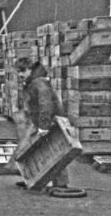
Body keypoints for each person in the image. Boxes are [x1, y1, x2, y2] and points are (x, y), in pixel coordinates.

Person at [12, 60, 69, 189]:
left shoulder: (39, 82)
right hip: (40, 121)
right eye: (18, 72)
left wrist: (44, 126)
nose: (20, 75)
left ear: (30, 69)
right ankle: (33, 179)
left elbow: (46, 105)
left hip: (51, 122)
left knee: (56, 151)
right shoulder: (32, 82)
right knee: (34, 150)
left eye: (22, 71)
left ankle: (61, 184)